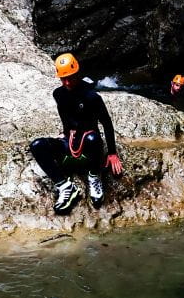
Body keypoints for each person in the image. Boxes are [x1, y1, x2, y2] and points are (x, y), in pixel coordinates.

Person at [29, 53, 124, 214]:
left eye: (70, 78)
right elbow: (67, 117)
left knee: (94, 138)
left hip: (88, 144)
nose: (67, 82)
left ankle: (94, 176)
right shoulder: (58, 94)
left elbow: (106, 123)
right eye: (63, 78)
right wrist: (64, 134)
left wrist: (113, 153)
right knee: (37, 145)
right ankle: (65, 186)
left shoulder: (92, 97)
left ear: (77, 74)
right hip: (68, 141)